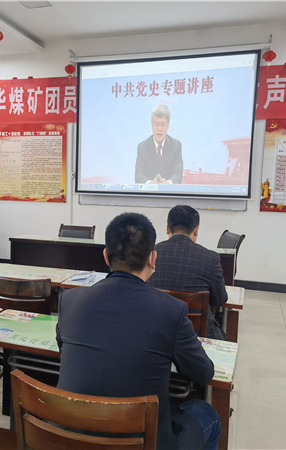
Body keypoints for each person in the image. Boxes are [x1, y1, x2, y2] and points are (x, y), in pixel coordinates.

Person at [56, 212, 220, 450]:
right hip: (141, 441)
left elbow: (65, 352)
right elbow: (203, 373)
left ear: (105, 255)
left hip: (70, 436)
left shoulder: (69, 300)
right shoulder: (171, 311)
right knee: (206, 413)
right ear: (153, 259)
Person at [148, 205, 228, 340]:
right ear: (196, 230)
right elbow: (220, 300)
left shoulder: (150, 253)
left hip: (154, 332)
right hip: (196, 337)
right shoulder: (210, 258)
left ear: (167, 228)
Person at [135, 105, 184, 185]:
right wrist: (150, 184)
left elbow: (178, 174)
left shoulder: (176, 146)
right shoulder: (142, 147)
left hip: (169, 192)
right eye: (157, 124)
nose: (159, 129)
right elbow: (138, 176)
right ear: (152, 125)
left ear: (168, 125)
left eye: (163, 124)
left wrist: (168, 183)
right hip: (149, 192)